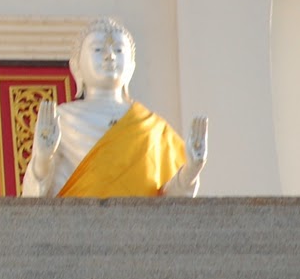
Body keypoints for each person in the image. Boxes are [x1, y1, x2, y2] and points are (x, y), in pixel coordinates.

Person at [20, 17, 207, 197]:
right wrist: (43, 158)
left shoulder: (152, 128)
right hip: (79, 218)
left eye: (118, 50)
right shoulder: (62, 119)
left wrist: (191, 170)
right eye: (98, 49)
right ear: (76, 66)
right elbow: (32, 198)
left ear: (131, 67)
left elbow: (170, 204)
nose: (110, 56)